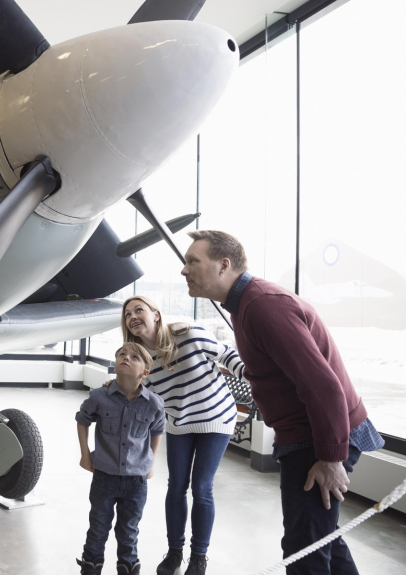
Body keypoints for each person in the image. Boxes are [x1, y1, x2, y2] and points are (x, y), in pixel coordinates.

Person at [180, 230, 385, 575]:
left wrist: (330, 457)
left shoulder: (262, 305)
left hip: (318, 441)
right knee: (322, 538)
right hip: (307, 437)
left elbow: (324, 386)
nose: (184, 270)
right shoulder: (246, 305)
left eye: (192, 261)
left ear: (223, 265)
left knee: (304, 550)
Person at [119, 295, 245, 575]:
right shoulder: (140, 358)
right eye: (127, 314)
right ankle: (175, 552)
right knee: (176, 486)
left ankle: (198, 557)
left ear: (156, 314)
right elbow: (135, 390)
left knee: (202, 487)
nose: (133, 317)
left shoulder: (188, 335)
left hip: (216, 417)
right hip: (179, 421)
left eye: (139, 310)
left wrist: (255, 377)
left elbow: (226, 354)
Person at [76, 342, 166, 575]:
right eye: (121, 355)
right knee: (98, 526)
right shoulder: (99, 396)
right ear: (115, 364)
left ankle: (128, 568)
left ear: (145, 373)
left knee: (128, 530)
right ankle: (90, 568)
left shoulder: (154, 404)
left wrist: (151, 462)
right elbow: (82, 420)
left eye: (134, 357)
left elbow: (157, 431)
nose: (126, 358)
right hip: (104, 476)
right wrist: (85, 455)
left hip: (137, 481)